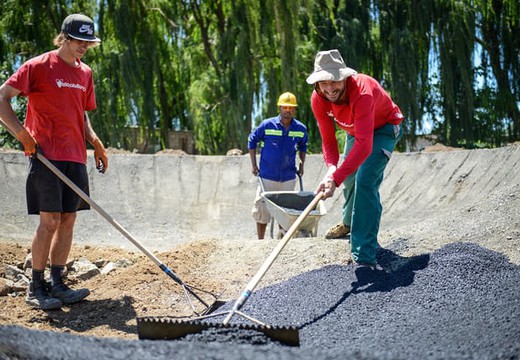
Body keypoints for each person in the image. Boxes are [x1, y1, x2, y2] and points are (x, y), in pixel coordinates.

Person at [0, 14, 108, 310]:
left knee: (68, 219)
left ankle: (58, 283)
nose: (85, 47)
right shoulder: (38, 66)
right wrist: (22, 134)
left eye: (89, 42)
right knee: (49, 221)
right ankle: (36, 287)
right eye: (80, 41)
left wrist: (95, 143)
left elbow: (81, 113)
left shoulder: (85, 73)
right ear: (65, 37)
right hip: (46, 156)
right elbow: (2, 98)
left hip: (75, 156)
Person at [306, 49, 403, 266]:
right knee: (349, 178)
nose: (329, 88)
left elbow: (365, 145)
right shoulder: (318, 99)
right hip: (355, 132)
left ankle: (364, 253)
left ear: (345, 77)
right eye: (323, 82)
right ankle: (348, 223)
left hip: (384, 129)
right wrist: (332, 168)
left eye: (334, 80)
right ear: (317, 84)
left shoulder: (362, 92)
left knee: (365, 181)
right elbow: (329, 141)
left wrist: (335, 180)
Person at [248, 92, 308, 239]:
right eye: (285, 107)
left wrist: (301, 164)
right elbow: (252, 141)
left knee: (285, 211)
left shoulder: (300, 129)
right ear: (280, 107)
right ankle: (260, 242)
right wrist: (254, 165)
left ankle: (282, 240)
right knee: (262, 209)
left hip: (288, 177)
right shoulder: (267, 125)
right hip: (267, 176)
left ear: (294, 109)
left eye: (291, 107)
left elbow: (303, 147)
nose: (288, 110)